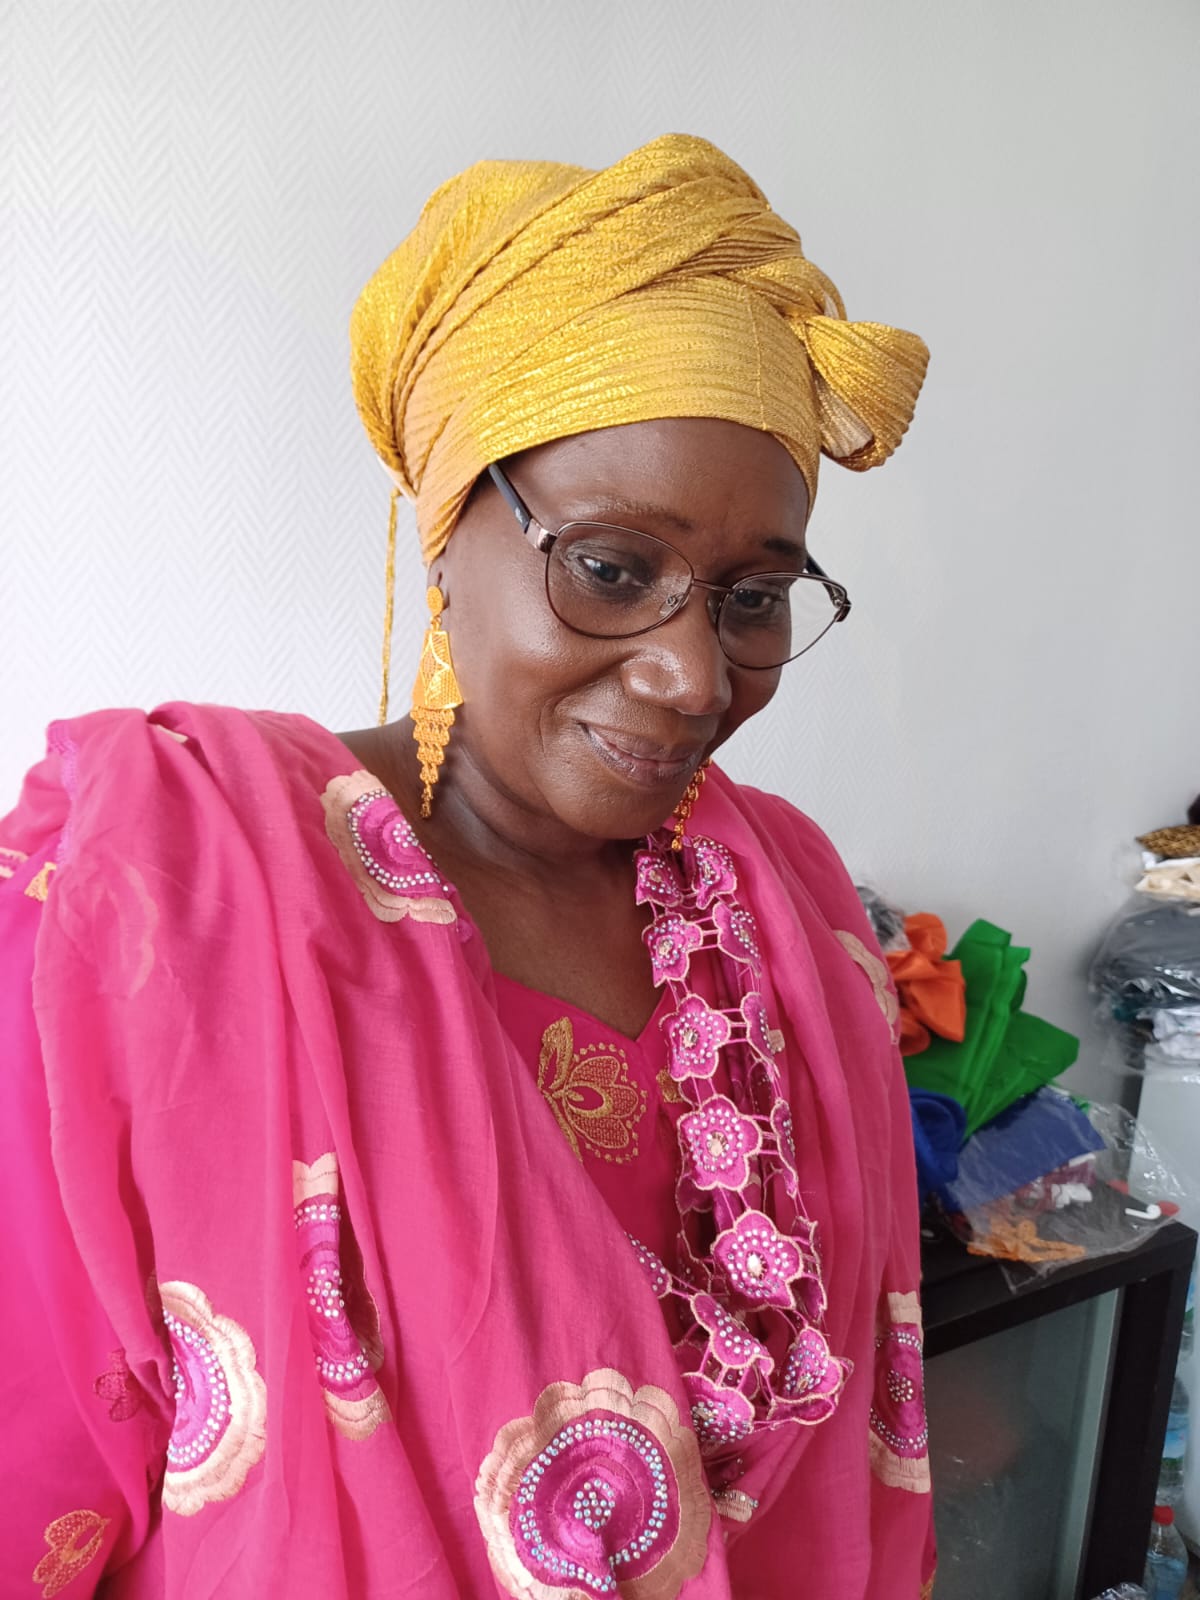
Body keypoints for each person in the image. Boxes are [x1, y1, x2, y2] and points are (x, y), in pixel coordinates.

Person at [1, 134, 934, 1597]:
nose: (694, 676)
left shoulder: (787, 901)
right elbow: (37, 1463)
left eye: (753, 597)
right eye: (611, 569)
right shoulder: (162, 891)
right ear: (447, 539)